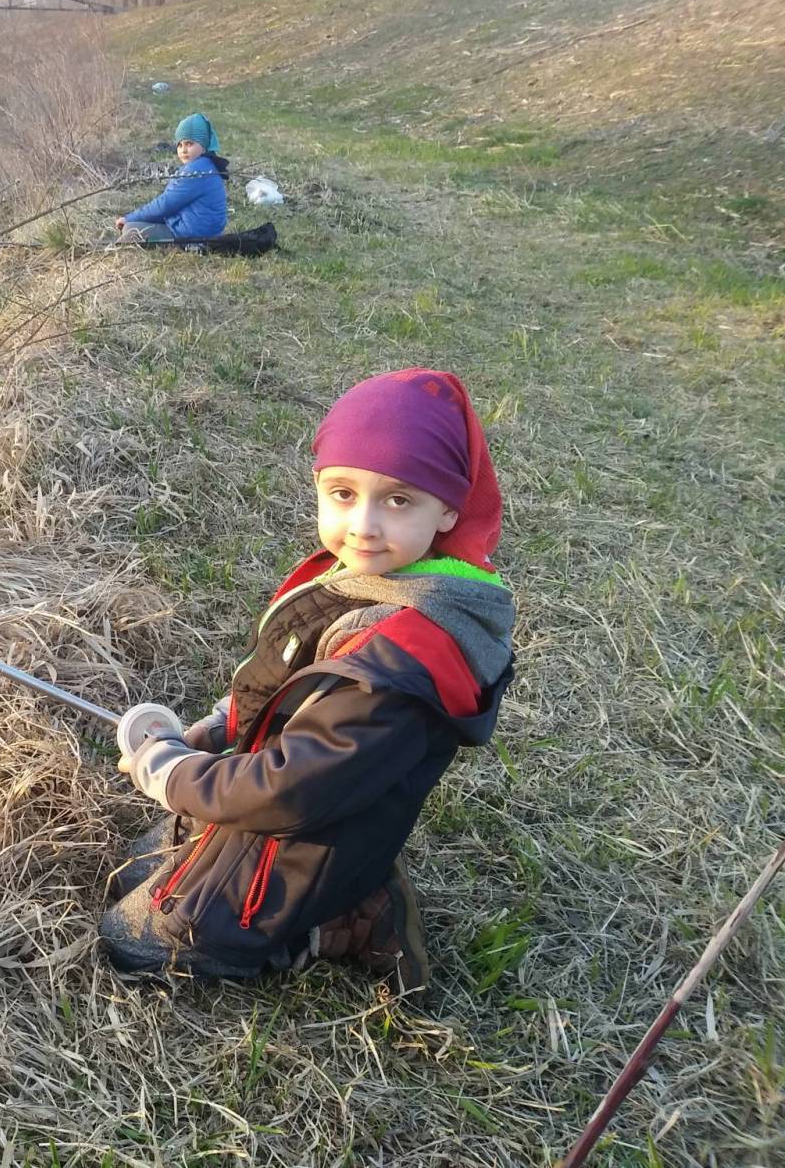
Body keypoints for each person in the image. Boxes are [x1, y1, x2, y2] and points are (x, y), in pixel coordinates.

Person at [101, 368, 516, 992]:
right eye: (343, 493)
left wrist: (174, 774)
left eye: (398, 500)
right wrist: (221, 726)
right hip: (285, 793)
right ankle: (324, 878)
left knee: (131, 944)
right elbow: (287, 677)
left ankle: (339, 915)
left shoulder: (404, 660)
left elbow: (291, 790)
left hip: (303, 832)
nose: (364, 525)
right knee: (132, 870)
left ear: (449, 509)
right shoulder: (361, 578)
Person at [114, 113, 229, 244]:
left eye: (189, 144)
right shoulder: (206, 165)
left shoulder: (196, 171)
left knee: (131, 229)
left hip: (191, 236)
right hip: (203, 232)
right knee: (136, 225)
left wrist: (129, 218)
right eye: (180, 145)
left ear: (203, 147)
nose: (183, 150)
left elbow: (165, 204)